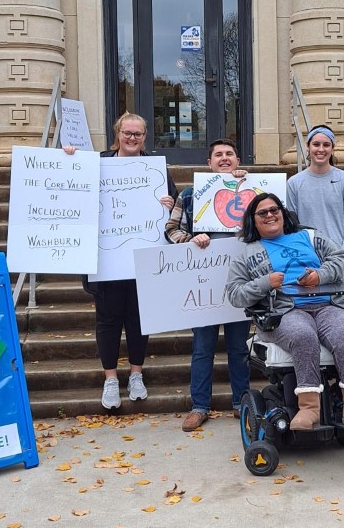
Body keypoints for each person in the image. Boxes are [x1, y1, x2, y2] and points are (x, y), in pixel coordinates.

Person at [225, 193, 344, 431]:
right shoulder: (247, 254)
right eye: (263, 213)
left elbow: (342, 261)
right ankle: (309, 409)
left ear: (283, 213)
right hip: (282, 312)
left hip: (327, 305)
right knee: (303, 335)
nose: (270, 215)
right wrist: (265, 282)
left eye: (275, 209)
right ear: (253, 221)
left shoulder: (310, 237)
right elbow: (234, 294)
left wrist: (320, 275)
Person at [66, 112, 176, 411]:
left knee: (139, 319)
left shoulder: (156, 169)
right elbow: (71, 189)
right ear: (117, 133)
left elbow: (177, 207)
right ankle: (111, 378)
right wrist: (70, 158)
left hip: (143, 259)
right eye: (127, 133)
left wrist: (169, 203)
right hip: (107, 260)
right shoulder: (97, 163)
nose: (132, 138)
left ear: (145, 137)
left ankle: (136, 374)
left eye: (138, 134)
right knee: (108, 320)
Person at [165, 139, 251, 432]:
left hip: (242, 281)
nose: (224, 159)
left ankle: (242, 403)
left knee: (239, 348)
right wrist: (190, 239)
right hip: (203, 283)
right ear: (209, 163)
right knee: (203, 348)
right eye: (218, 155)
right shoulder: (191, 195)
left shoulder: (254, 190)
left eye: (229, 154)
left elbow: (274, 224)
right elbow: (171, 230)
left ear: (238, 161)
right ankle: (199, 406)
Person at [285, 126, 344, 269]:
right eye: (316, 144)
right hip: (308, 263)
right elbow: (292, 227)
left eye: (326, 145)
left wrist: (343, 260)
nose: (321, 149)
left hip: (342, 262)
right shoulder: (294, 183)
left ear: (332, 148)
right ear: (308, 147)